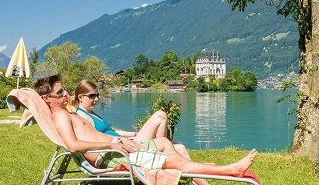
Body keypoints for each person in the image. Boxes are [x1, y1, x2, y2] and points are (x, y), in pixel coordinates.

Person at [33, 75, 256, 178]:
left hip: (115, 151)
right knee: (174, 161)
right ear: (47, 98)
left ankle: (204, 170)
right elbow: (73, 146)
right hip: (111, 157)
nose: (66, 94)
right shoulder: (62, 116)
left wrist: (118, 140)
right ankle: (230, 170)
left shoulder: (65, 113)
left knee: (164, 144)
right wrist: (115, 144)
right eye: (60, 92)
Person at [71, 80, 229, 185]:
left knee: (162, 119)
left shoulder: (91, 114)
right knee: (173, 139)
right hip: (119, 149)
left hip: (124, 143)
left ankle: (177, 163)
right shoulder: (81, 117)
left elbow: (112, 132)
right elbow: (99, 138)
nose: (96, 99)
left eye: (97, 95)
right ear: (81, 96)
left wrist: (132, 134)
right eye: (92, 96)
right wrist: (122, 141)